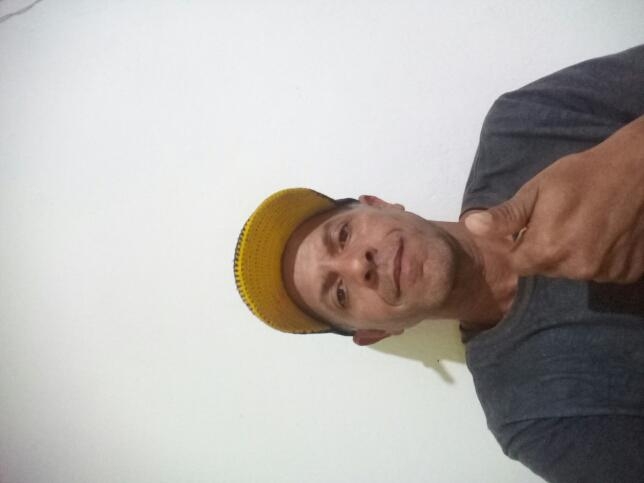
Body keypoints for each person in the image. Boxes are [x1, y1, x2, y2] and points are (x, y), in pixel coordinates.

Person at [233, 45, 644, 483]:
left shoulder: (523, 127)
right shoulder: (532, 412)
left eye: (343, 235)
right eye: (340, 293)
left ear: (379, 203)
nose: (358, 266)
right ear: (376, 332)